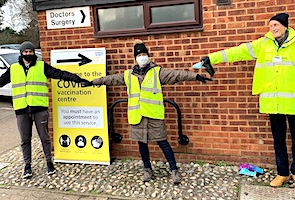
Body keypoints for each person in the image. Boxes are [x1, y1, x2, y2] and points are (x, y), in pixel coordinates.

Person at [82, 39, 213, 184]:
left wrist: (195, 77)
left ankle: (174, 170)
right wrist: (92, 82)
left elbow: (176, 75)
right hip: (137, 116)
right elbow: (110, 79)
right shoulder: (128, 75)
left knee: (163, 143)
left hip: (153, 115)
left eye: (144, 54)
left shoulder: (157, 72)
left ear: (148, 55)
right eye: (139, 55)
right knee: (142, 144)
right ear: (135, 58)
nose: (142, 57)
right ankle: (147, 169)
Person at [192, 13, 295, 187]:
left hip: (292, 101)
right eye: (271, 25)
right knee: (278, 140)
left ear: (285, 26)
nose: (273, 28)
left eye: (276, 25)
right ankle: (283, 173)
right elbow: (237, 52)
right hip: (273, 102)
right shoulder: (263, 44)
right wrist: (212, 58)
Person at [0, 41, 90, 179]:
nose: (28, 54)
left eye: (30, 51)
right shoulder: (13, 69)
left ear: (34, 53)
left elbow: (60, 74)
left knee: (44, 138)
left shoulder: (42, 66)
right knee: (24, 140)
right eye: (26, 52)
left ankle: (49, 163)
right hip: (22, 109)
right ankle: (27, 166)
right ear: (21, 53)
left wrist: (78, 79)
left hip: (39, 109)